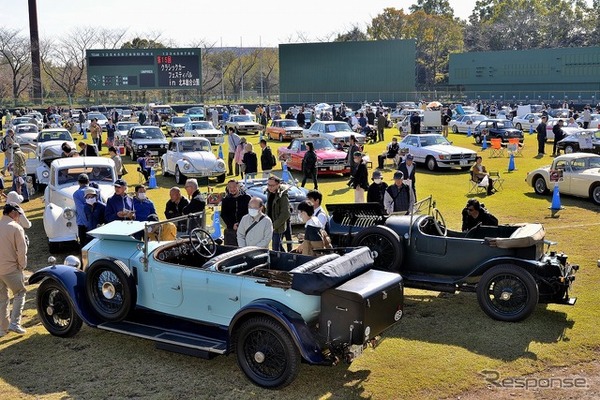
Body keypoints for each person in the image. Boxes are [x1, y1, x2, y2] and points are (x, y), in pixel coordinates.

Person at [0, 203, 28, 336]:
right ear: (12, 213)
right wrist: (22, 266)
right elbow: (21, 251)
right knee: (20, 293)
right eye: (17, 214)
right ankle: (15, 323)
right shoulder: (16, 228)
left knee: (2, 298)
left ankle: (2, 328)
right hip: (10, 268)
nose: (18, 216)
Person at [221, 180, 251, 246]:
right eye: (230, 187)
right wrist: (232, 225)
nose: (232, 189)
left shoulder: (247, 198)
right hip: (231, 230)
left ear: (238, 186)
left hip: (245, 229)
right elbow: (223, 215)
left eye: (234, 187)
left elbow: (250, 213)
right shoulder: (225, 200)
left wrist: (241, 224)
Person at [266, 175, 290, 252]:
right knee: (278, 246)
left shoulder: (282, 196)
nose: (270, 187)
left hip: (278, 227)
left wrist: (274, 225)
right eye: (268, 185)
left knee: (275, 249)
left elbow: (285, 213)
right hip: (271, 224)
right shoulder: (269, 193)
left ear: (278, 185)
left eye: (272, 185)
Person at [73, 173, 94, 246]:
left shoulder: (76, 194)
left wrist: (87, 224)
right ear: (88, 181)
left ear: (78, 182)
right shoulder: (96, 191)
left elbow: (81, 210)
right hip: (95, 222)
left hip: (83, 224)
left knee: (84, 245)